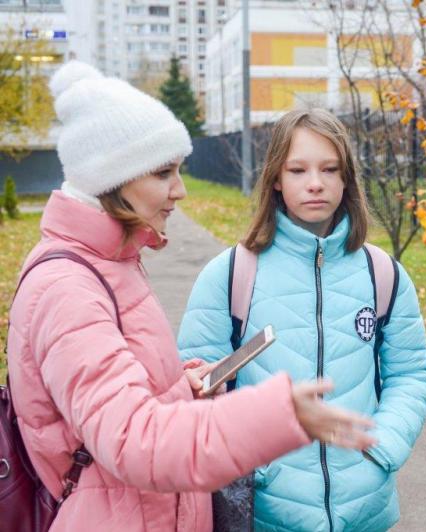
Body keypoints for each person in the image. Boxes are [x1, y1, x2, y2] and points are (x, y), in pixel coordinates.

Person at [6, 61, 375, 532]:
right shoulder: (67, 289)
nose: (179, 190)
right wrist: (276, 415)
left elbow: (115, 399)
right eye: (163, 173)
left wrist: (182, 387)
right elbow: (134, 440)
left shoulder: (111, 263)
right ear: (110, 180)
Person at [178, 108, 426, 531]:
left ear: (347, 177)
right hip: (266, 511)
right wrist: (254, 461)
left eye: (329, 169)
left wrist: (380, 449)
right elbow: (197, 392)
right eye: (297, 169)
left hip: (364, 510)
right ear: (276, 178)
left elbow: (411, 374)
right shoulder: (230, 275)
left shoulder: (383, 273)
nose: (315, 183)